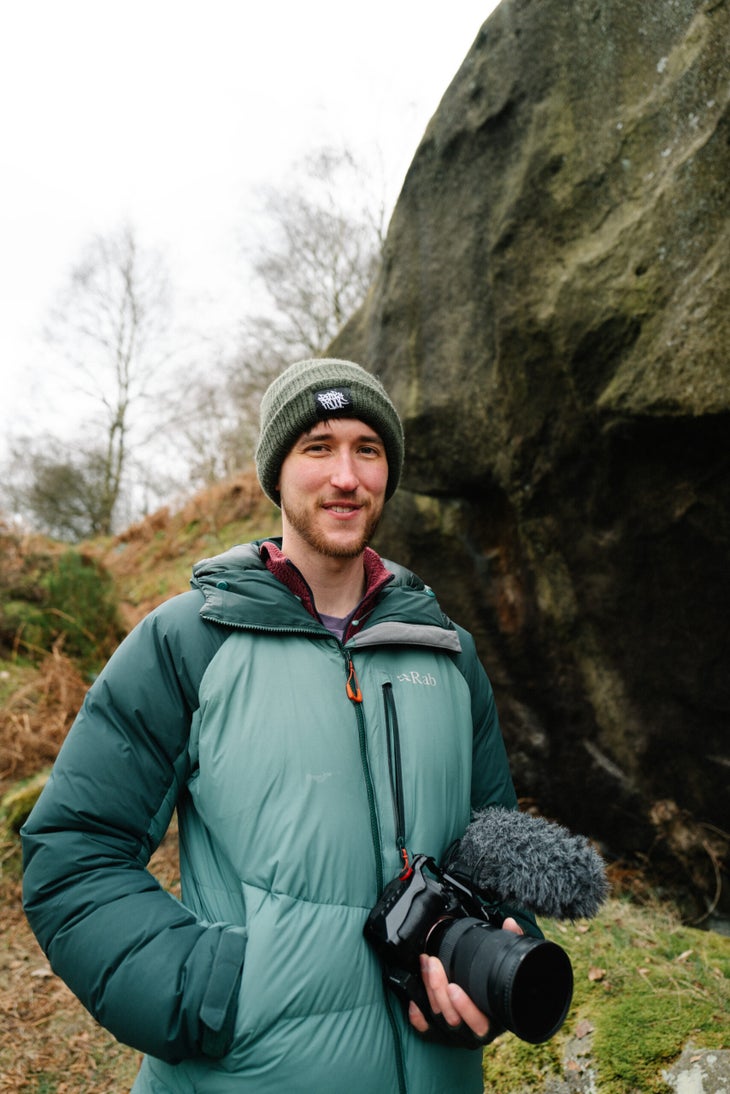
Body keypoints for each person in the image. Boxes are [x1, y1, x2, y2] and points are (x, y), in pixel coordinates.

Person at [22, 358, 536, 1094]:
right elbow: (73, 850)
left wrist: (499, 957)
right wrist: (207, 992)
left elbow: (494, 850)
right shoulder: (188, 641)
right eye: (318, 446)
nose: (346, 477)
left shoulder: (447, 652)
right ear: (277, 472)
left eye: (368, 448)